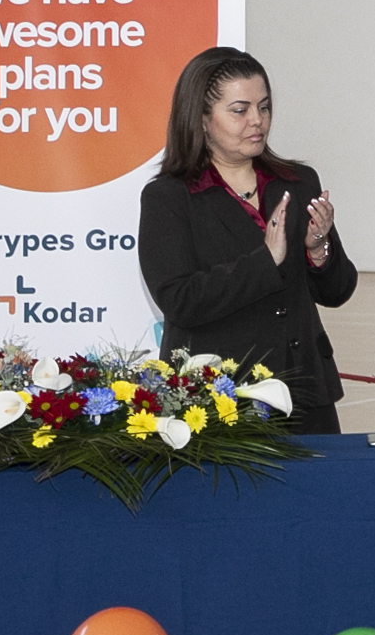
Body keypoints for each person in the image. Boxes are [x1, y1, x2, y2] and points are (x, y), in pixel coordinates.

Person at [138, 47, 356, 432]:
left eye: (264, 107)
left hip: (304, 393)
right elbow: (180, 301)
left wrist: (318, 249)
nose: (257, 120)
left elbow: (337, 291)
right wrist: (264, 261)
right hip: (218, 402)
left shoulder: (297, 183)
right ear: (202, 118)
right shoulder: (168, 197)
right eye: (240, 110)